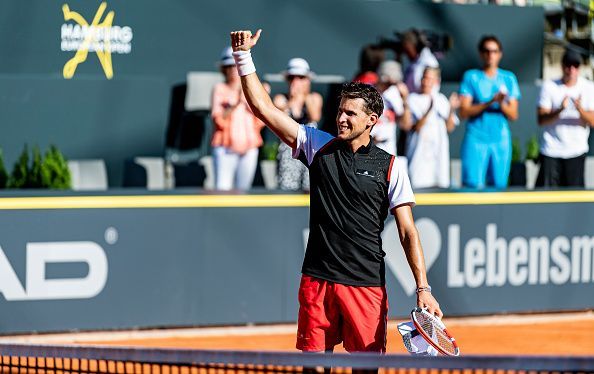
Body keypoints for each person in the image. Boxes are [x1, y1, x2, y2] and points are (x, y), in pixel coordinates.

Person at [229, 29, 442, 364]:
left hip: (366, 287)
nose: (341, 118)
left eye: (350, 114)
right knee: (314, 368)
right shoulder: (317, 145)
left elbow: (407, 232)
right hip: (318, 281)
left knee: (366, 369)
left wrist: (423, 288)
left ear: (372, 121)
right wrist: (243, 57)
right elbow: (264, 108)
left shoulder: (392, 167)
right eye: (340, 111)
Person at [458, 35, 520, 189]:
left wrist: (501, 103)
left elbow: (513, 114)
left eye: (494, 51)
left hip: (500, 140)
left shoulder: (508, 78)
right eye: (486, 51)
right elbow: (464, 111)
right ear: (481, 53)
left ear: (500, 54)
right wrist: (490, 102)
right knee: (472, 185)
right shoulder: (471, 77)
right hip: (476, 138)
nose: (490, 55)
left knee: (499, 186)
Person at [536, 49, 594, 187]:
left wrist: (580, 109)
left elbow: (592, 121)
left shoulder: (588, 87)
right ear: (562, 66)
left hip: (576, 152)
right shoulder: (549, 86)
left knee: (574, 202)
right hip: (551, 151)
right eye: (568, 65)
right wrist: (560, 109)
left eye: (575, 66)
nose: (571, 69)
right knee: (546, 200)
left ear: (579, 68)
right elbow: (541, 120)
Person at [210, 46, 265, 191]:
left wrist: (248, 99)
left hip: (249, 149)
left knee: (244, 191)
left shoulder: (254, 91)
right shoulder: (219, 89)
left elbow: (261, 121)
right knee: (222, 189)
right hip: (225, 149)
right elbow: (218, 120)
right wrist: (236, 102)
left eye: (237, 66)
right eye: (230, 66)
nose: (234, 70)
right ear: (225, 70)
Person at [273, 58, 323, 191]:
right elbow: (279, 115)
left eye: (301, 77)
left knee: (311, 189)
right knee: (287, 189)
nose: (296, 81)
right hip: (288, 153)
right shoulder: (280, 99)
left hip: (310, 151)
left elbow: (315, 116)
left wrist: (303, 96)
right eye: (292, 78)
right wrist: (293, 100)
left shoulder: (314, 97)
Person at [405, 67, 459, 189]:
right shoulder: (412, 99)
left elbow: (449, 128)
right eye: (424, 77)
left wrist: (452, 109)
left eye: (429, 78)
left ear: (436, 81)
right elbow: (416, 127)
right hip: (418, 158)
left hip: (439, 158)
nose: (425, 81)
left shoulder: (441, 99)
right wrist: (430, 108)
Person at [371, 60, 410, 155]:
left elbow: (405, 125)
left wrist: (405, 99)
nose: (391, 84)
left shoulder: (394, 93)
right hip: (368, 145)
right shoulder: (369, 92)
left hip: (388, 146)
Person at [401, 29, 439, 94]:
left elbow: (433, 90)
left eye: (408, 50)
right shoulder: (414, 62)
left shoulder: (430, 62)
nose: (406, 54)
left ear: (415, 46)